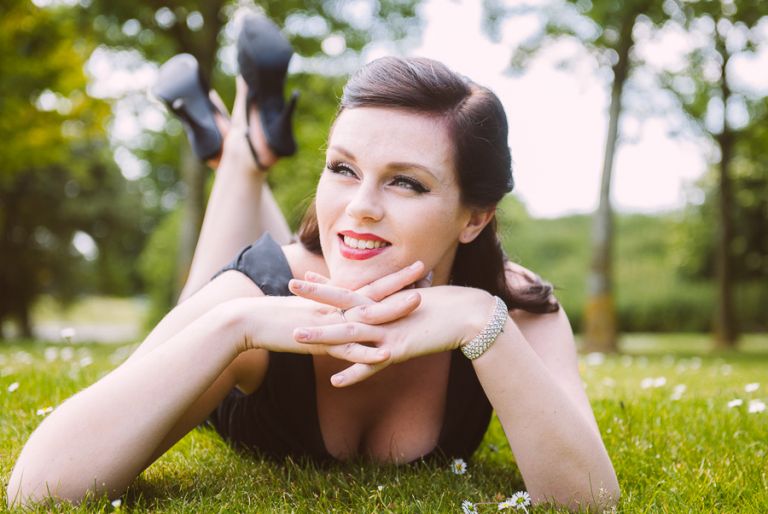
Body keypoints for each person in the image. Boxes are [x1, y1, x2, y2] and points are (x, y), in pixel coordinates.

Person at [7, 13, 619, 511]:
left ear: (475, 217)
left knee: (328, 242)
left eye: (406, 182)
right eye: (342, 168)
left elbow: (588, 502)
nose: (360, 206)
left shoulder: (514, 308)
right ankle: (243, 151)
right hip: (265, 284)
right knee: (220, 287)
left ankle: (241, 145)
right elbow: (38, 490)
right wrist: (239, 323)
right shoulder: (254, 290)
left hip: (350, 274)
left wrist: (479, 322)